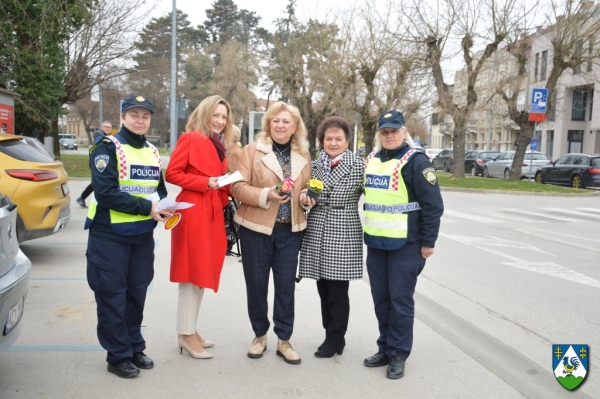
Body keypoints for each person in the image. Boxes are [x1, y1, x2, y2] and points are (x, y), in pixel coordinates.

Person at [84, 95, 172, 378]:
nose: (140, 120)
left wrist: (165, 207)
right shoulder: (107, 148)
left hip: (142, 237)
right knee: (112, 296)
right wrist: (149, 208)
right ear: (122, 117)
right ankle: (118, 356)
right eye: (134, 114)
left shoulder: (151, 150)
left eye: (145, 116)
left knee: (136, 295)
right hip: (110, 235)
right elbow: (106, 193)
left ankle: (135, 346)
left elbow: (158, 190)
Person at [362, 110, 443, 379]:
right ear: (379, 135)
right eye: (384, 132)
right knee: (381, 301)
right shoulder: (371, 160)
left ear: (404, 132)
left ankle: (398, 353)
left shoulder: (417, 161)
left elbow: (433, 205)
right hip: (376, 244)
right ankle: (385, 347)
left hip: (407, 245)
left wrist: (428, 242)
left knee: (400, 302)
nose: (389, 135)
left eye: (394, 131)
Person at [230, 101, 311, 365]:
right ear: (268, 124)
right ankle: (259, 335)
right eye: (275, 120)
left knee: (286, 288)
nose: (280, 125)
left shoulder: (304, 155)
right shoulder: (252, 151)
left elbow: (308, 187)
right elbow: (237, 187)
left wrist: (309, 197)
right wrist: (267, 194)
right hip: (256, 229)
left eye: (286, 121)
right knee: (256, 286)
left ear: (295, 126)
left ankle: (284, 340)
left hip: (290, 232)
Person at [165, 95, 233, 359]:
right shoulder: (191, 138)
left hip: (212, 209)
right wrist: (207, 183)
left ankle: (190, 328)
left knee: (202, 271)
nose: (219, 120)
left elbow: (217, 177)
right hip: (194, 209)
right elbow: (173, 173)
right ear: (205, 114)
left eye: (223, 117)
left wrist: (225, 183)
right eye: (215, 115)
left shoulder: (219, 144)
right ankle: (185, 334)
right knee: (191, 273)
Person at [297, 116, 365, 358]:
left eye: (338, 139)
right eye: (329, 139)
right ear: (322, 141)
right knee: (322, 288)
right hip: (317, 230)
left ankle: (335, 339)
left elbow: (375, 195)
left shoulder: (359, 166)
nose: (333, 143)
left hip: (343, 230)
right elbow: (302, 190)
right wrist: (304, 196)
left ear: (347, 141)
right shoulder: (314, 166)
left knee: (337, 291)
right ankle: (331, 335)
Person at [77, 121, 113, 208]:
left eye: (109, 127)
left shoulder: (106, 136)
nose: (108, 128)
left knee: (97, 182)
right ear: (102, 127)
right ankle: (83, 198)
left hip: (103, 162)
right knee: (97, 182)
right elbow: (100, 144)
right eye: (106, 127)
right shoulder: (99, 136)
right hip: (98, 163)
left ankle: (82, 198)